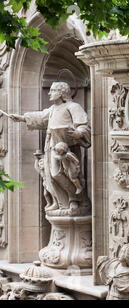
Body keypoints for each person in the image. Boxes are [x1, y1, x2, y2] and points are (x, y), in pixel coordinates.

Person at [10, 81, 91, 215]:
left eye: (53, 90)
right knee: (53, 175)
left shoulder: (73, 107)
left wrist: (78, 133)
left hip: (67, 148)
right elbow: (40, 117)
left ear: (61, 92)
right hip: (52, 147)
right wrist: (21, 118)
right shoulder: (53, 109)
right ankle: (63, 201)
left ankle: (77, 198)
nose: (49, 93)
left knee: (66, 174)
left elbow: (83, 125)